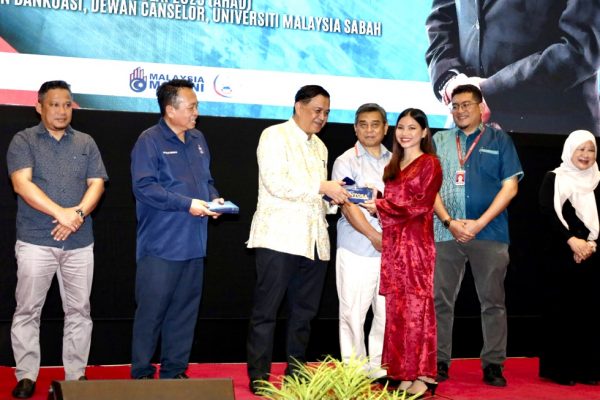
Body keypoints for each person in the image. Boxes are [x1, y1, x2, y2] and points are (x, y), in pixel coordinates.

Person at [6, 80, 108, 399]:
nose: (62, 111)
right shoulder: (23, 140)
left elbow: (97, 184)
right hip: (36, 241)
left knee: (79, 311)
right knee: (28, 310)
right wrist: (61, 213)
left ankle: (75, 375)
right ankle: (26, 375)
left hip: (79, 242)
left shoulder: (86, 142)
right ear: (39, 107)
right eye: (54, 104)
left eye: (67, 104)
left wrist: (75, 215)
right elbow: (22, 184)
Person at [246, 85, 349, 393]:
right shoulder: (274, 136)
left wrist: (337, 198)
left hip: (314, 240)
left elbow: (318, 198)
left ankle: (297, 370)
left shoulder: (320, 147)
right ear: (298, 106)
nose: (322, 117)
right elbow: (276, 183)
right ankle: (259, 374)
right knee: (266, 311)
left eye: (326, 112)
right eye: (317, 110)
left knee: (304, 313)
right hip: (278, 238)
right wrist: (322, 187)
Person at [130, 79, 224, 379]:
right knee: (151, 313)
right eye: (191, 107)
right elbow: (144, 187)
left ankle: (174, 371)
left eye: (196, 106)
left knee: (184, 313)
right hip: (161, 245)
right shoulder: (150, 140)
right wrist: (187, 204)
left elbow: (206, 181)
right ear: (170, 110)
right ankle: (142, 374)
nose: (197, 112)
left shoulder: (198, 139)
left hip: (194, 243)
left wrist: (213, 199)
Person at [432, 84, 523, 387]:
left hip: (490, 232)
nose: (460, 110)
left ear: (480, 106)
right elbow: (429, 187)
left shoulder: (500, 139)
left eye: (466, 104)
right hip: (446, 232)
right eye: (455, 106)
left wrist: (478, 224)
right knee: (440, 300)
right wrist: (450, 222)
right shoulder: (439, 140)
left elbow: (511, 187)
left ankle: (494, 364)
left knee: (493, 301)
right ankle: (439, 361)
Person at [425, 0, 600, 136]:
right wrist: (449, 79)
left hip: (549, 131)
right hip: (466, 130)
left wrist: (490, 92)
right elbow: (441, 17)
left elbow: (580, 48)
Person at [361, 108, 442, 397]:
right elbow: (396, 203)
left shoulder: (430, 163)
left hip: (417, 248)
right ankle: (405, 373)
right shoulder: (393, 165)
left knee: (418, 311)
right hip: (394, 247)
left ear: (424, 132)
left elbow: (419, 205)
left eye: (412, 128)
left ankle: (424, 374)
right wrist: (376, 200)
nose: (405, 133)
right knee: (397, 311)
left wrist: (380, 206)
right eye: (401, 128)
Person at [331, 103, 390, 380]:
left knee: (386, 312)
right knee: (353, 313)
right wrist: (374, 236)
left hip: (392, 250)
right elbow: (348, 205)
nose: (369, 130)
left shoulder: (397, 162)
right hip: (357, 247)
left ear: (385, 128)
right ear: (355, 128)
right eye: (363, 124)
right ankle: (354, 371)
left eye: (375, 124)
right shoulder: (345, 161)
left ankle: (379, 367)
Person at [538, 130, 600, 386]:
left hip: (592, 255)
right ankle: (559, 369)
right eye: (580, 149)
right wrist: (572, 241)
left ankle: (588, 369)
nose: (586, 155)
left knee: (589, 314)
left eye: (591, 150)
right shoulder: (554, 177)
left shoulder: (598, 179)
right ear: (569, 150)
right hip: (560, 254)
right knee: (561, 312)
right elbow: (547, 212)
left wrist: (590, 246)